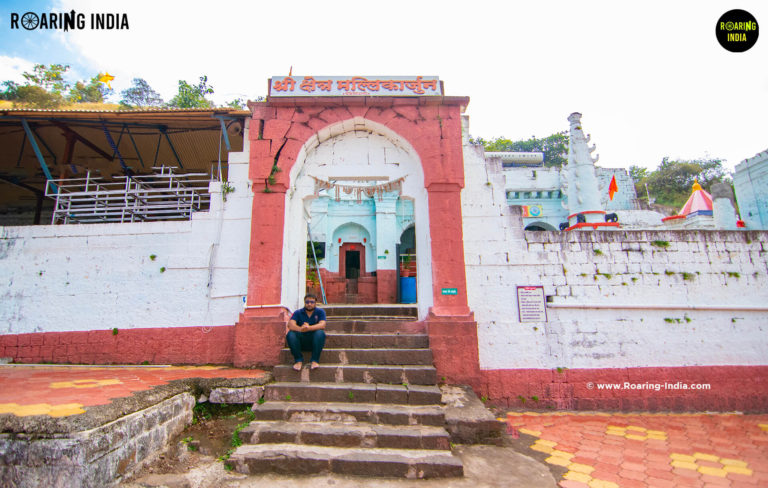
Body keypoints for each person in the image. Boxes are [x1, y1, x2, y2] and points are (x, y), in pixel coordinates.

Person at [285, 294, 326, 371]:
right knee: (291, 334)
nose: (309, 304)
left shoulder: (320, 312)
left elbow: (322, 325)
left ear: (315, 303)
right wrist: (301, 329)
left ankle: (315, 360)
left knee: (320, 333)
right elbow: (290, 325)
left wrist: (309, 328)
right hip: (301, 341)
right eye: (307, 302)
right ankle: (298, 360)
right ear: (304, 302)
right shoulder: (298, 312)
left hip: (315, 341)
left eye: (312, 302)